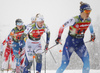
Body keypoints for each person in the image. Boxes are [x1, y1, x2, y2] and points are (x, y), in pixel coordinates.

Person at [55, 2, 95, 73]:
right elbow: (62, 27)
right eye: (86, 11)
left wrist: (92, 35)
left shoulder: (89, 20)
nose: (88, 13)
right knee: (65, 64)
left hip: (80, 44)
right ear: (81, 11)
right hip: (69, 43)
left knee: (87, 62)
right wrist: (58, 37)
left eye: (89, 11)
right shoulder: (74, 20)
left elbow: (91, 27)